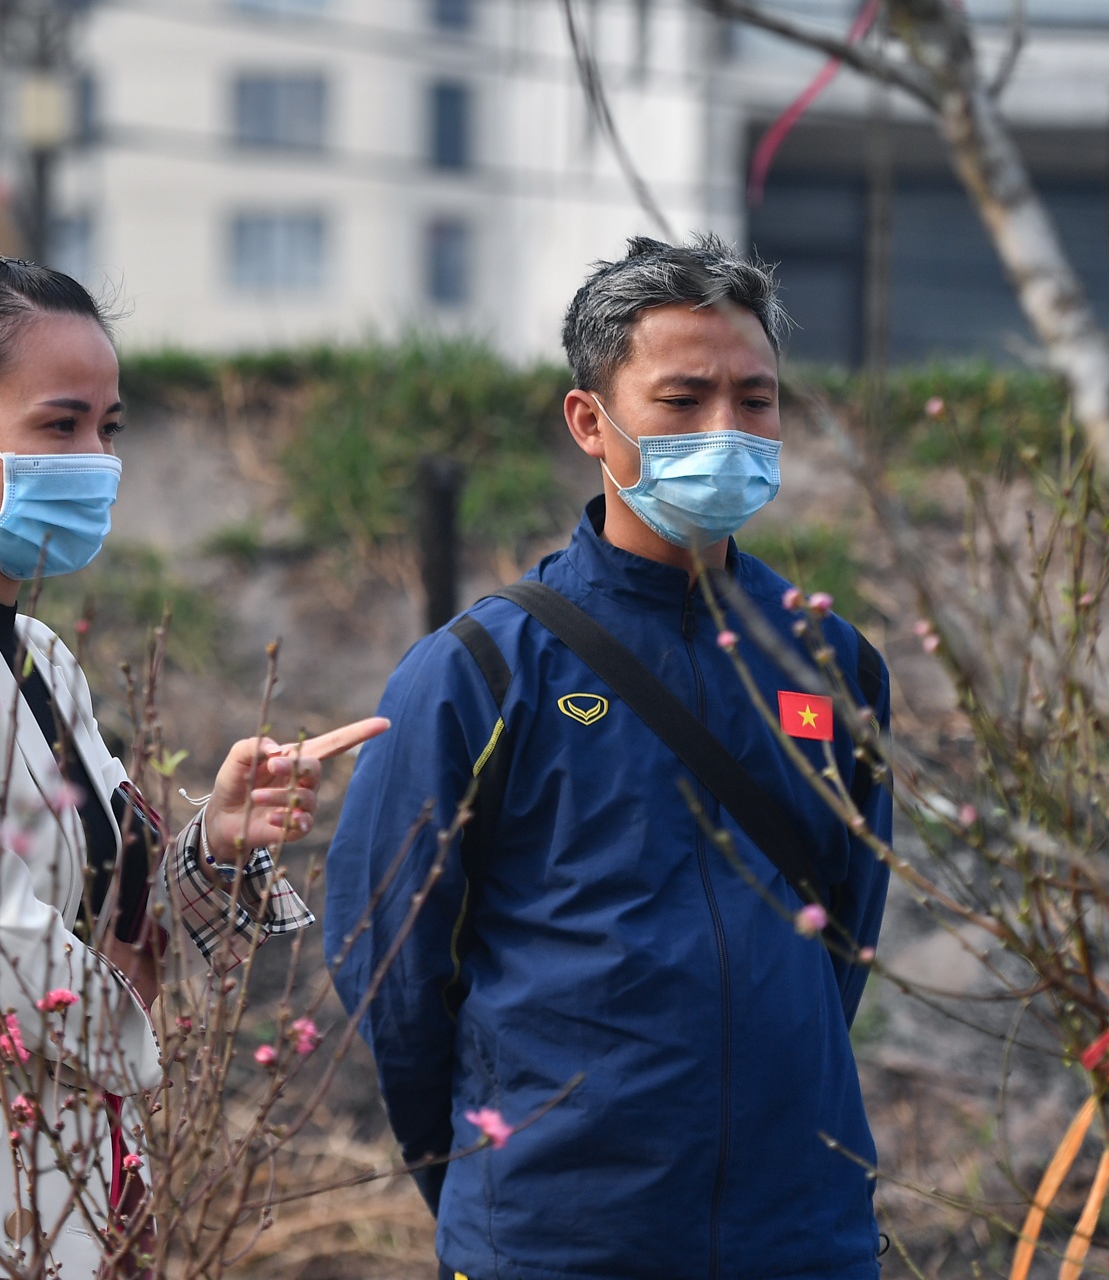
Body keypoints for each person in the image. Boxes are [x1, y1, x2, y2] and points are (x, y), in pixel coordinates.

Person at [0, 252, 383, 1279]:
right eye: (60, 425)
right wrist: (138, 1029)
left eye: (108, 427)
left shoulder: (38, 659)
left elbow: (99, 918)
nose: (96, 459)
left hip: (42, 1196)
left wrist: (215, 843)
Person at [324, 234, 892, 1280]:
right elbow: (393, 966)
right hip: (560, 1236)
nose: (726, 430)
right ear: (590, 420)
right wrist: (489, 1177)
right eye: (683, 399)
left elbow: (843, 938)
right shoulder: (482, 668)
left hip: (801, 1235)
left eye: (755, 399)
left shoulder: (829, 659)